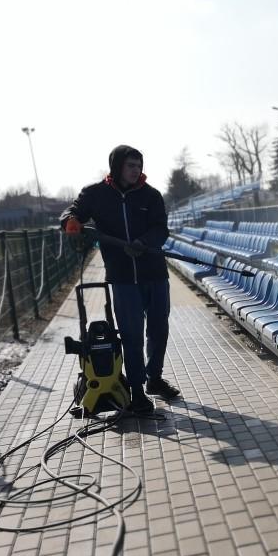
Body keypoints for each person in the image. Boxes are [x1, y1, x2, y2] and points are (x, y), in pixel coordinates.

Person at [61, 145, 180, 414]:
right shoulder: (96, 195)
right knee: (131, 335)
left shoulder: (151, 196)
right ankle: (136, 391)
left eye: (139, 165)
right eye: (130, 165)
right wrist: (69, 220)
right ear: (117, 167)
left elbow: (161, 228)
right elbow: (75, 212)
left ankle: (155, 379)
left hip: (154, 273)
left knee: (159, 329)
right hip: (123, 278)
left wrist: (142, 242)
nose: (136, 170)